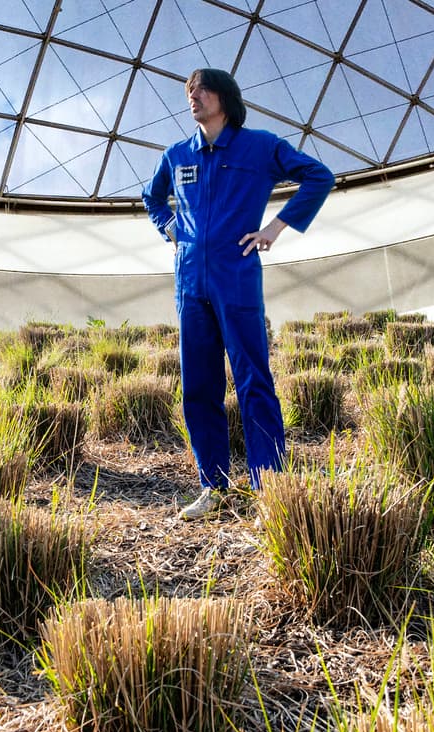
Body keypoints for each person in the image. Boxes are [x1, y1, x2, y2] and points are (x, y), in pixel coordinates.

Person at [142, 69, 334, 520]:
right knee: (198, 387)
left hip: (237, 276)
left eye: (202, 89)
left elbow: (318, 177)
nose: (194, 96)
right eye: (189, 90)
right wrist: (169, 228)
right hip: (190, 283)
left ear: (225, 97)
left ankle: (270, 485)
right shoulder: (176, 155)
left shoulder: (259, 146)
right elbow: (152, 198)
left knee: (253, 379)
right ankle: (214, 487)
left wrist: (274, 228)